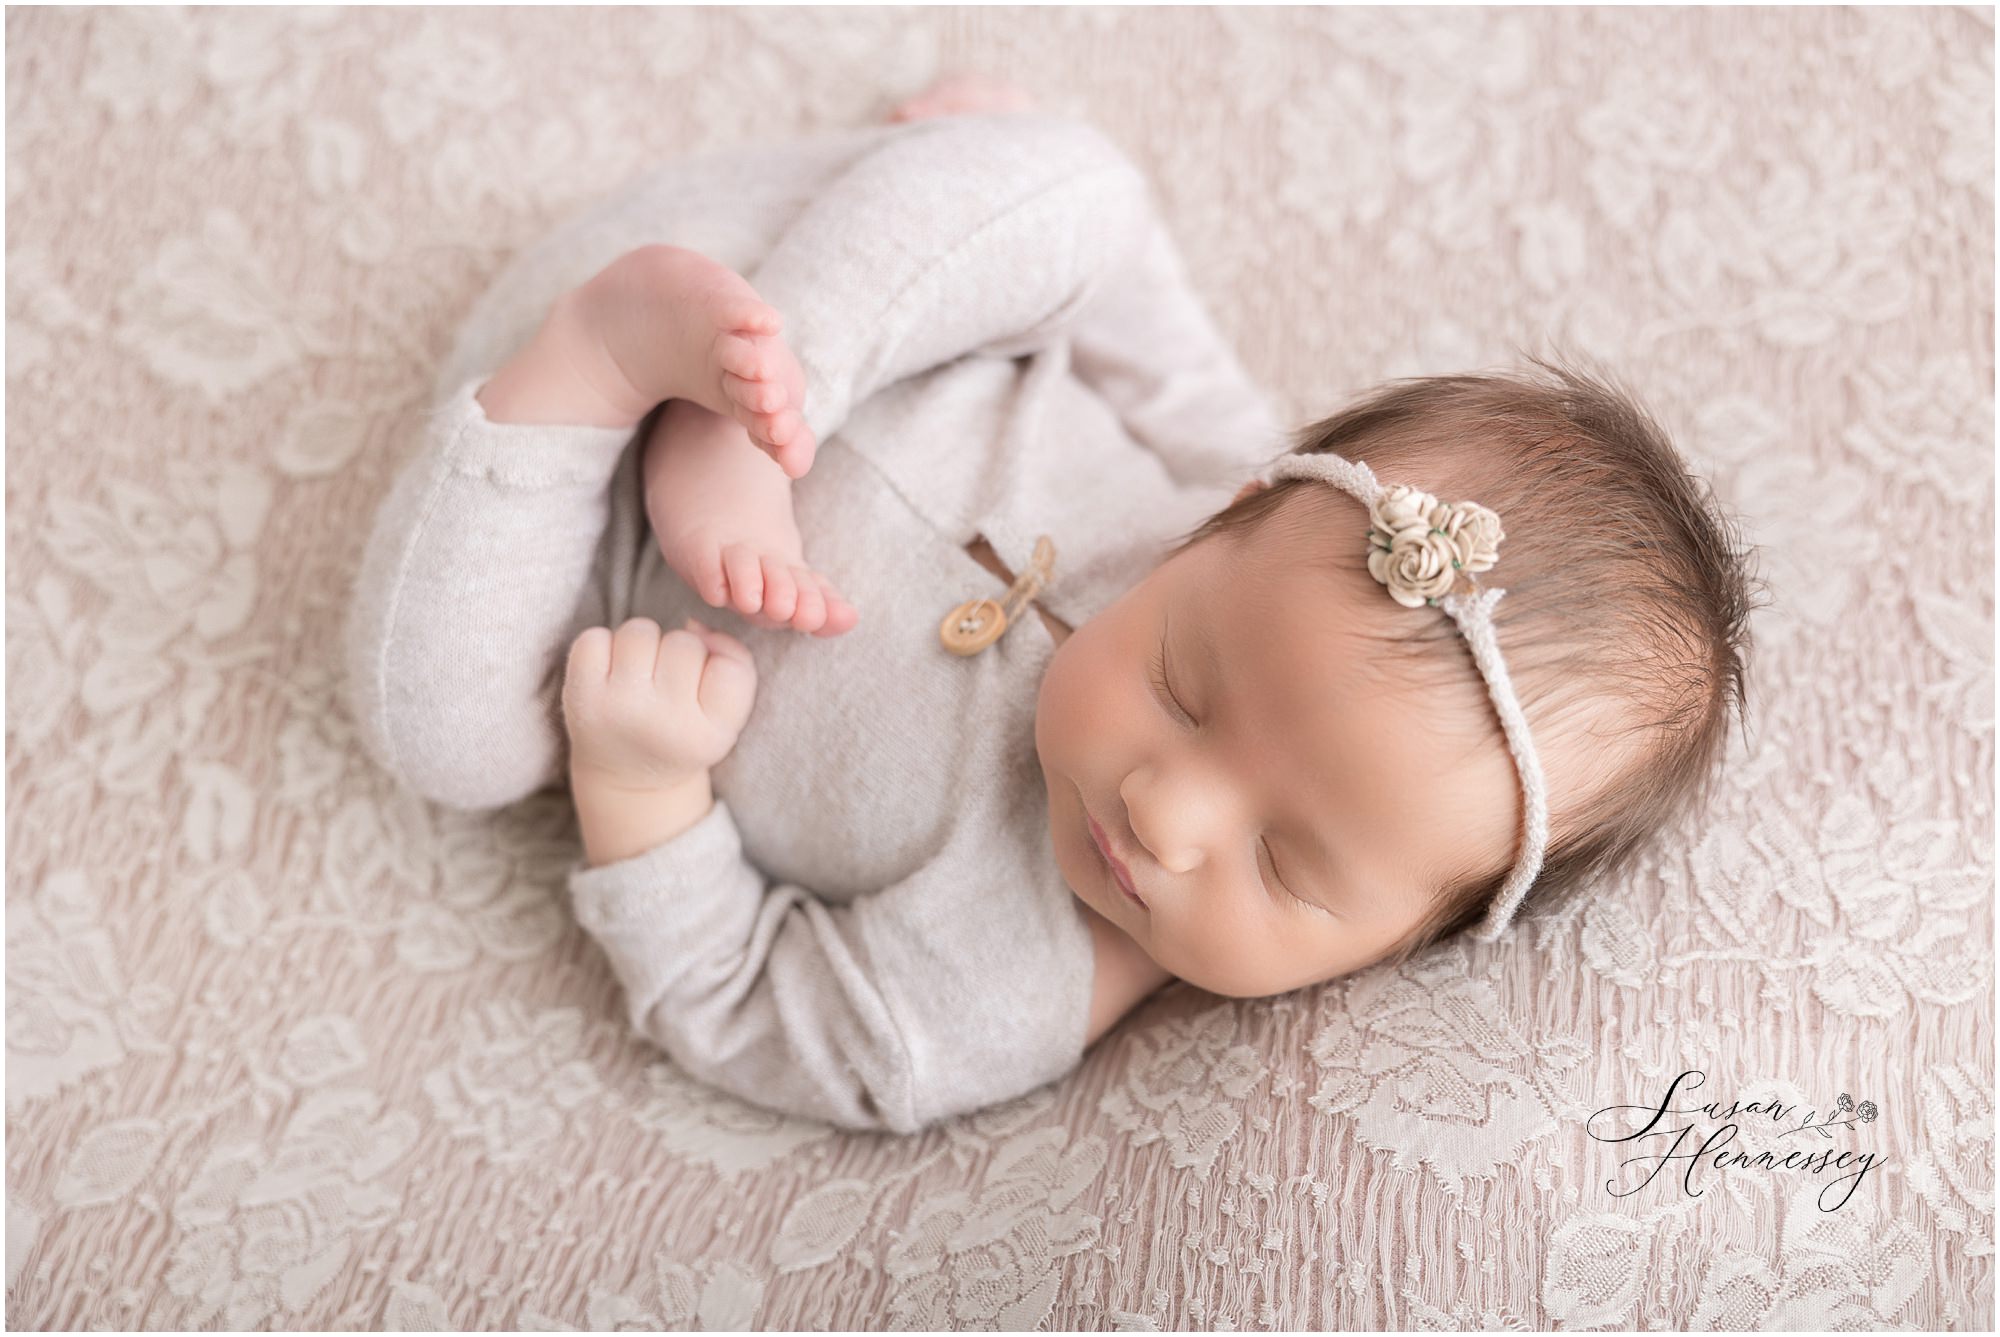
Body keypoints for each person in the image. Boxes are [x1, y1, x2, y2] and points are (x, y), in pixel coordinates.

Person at [343, 75, 1756, 1135]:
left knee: (449, 739)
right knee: (1069, 178)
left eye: (1288, 866)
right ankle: (759, 397)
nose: (1167, 813)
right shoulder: (1227, 482)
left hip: (567, 542)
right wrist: (980, 206)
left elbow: (743, 1005)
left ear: (1397, 946)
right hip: (786, 300)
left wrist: (642, 786)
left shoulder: (995, 987)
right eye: (1185, 678)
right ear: (1231, 520)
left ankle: (594, 358)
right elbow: (1115, 263)